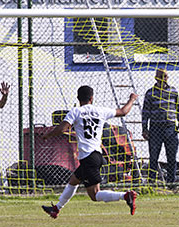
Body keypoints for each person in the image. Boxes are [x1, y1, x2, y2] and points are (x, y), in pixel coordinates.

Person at [41, 85, 138, 219]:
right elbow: (123, 111)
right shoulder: (100, 111)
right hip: (96, 155)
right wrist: (132, 100)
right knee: (74, 180)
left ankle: (126, 195)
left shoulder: (76, 111)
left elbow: (63, 128)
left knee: (95, 195)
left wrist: (48, 135)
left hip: (88, 157)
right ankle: (56, 208)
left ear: (78, 98)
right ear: (92, 98)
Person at [141, 68, 179, 185]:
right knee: (153, 157)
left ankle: (171, 183)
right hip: (155, 128)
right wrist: (144, 128)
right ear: (156, 77)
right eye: (161, 76)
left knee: (171, 157)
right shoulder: (150, 93)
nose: (163, 79)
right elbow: (145, 112)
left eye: (165, 76)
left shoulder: (173, 91)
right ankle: (152, 182)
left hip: (170, 127)